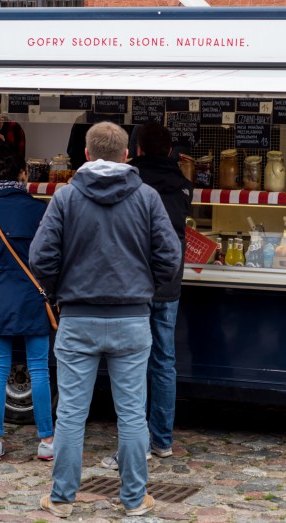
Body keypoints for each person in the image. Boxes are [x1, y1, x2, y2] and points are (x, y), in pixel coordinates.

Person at [30, 121, 181, 518]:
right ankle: (134, 499)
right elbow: (171, 257)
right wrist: (144, 284)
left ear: (85, 154)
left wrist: (61, 286)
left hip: (78, 318)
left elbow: (40, 258)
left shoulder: (65, 198)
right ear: (126, 155)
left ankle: (62, 499)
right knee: (132, 415)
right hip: (132, 318)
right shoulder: (147, 197)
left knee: (71, 414)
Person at [0, 154, 55, 461]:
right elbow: (51, 258)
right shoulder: (40, 209)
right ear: (22, 174)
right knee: (40, 369)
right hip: (34, 298)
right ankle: (46, 440)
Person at [126, 123, 192, 461]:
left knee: (132, 361)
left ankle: (136, 440)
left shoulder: (128, 181)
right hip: (169, 281)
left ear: (136, 150)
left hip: (133, 280)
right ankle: (161, 440)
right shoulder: (183, 184)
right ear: (169, 151)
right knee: (164, 360)